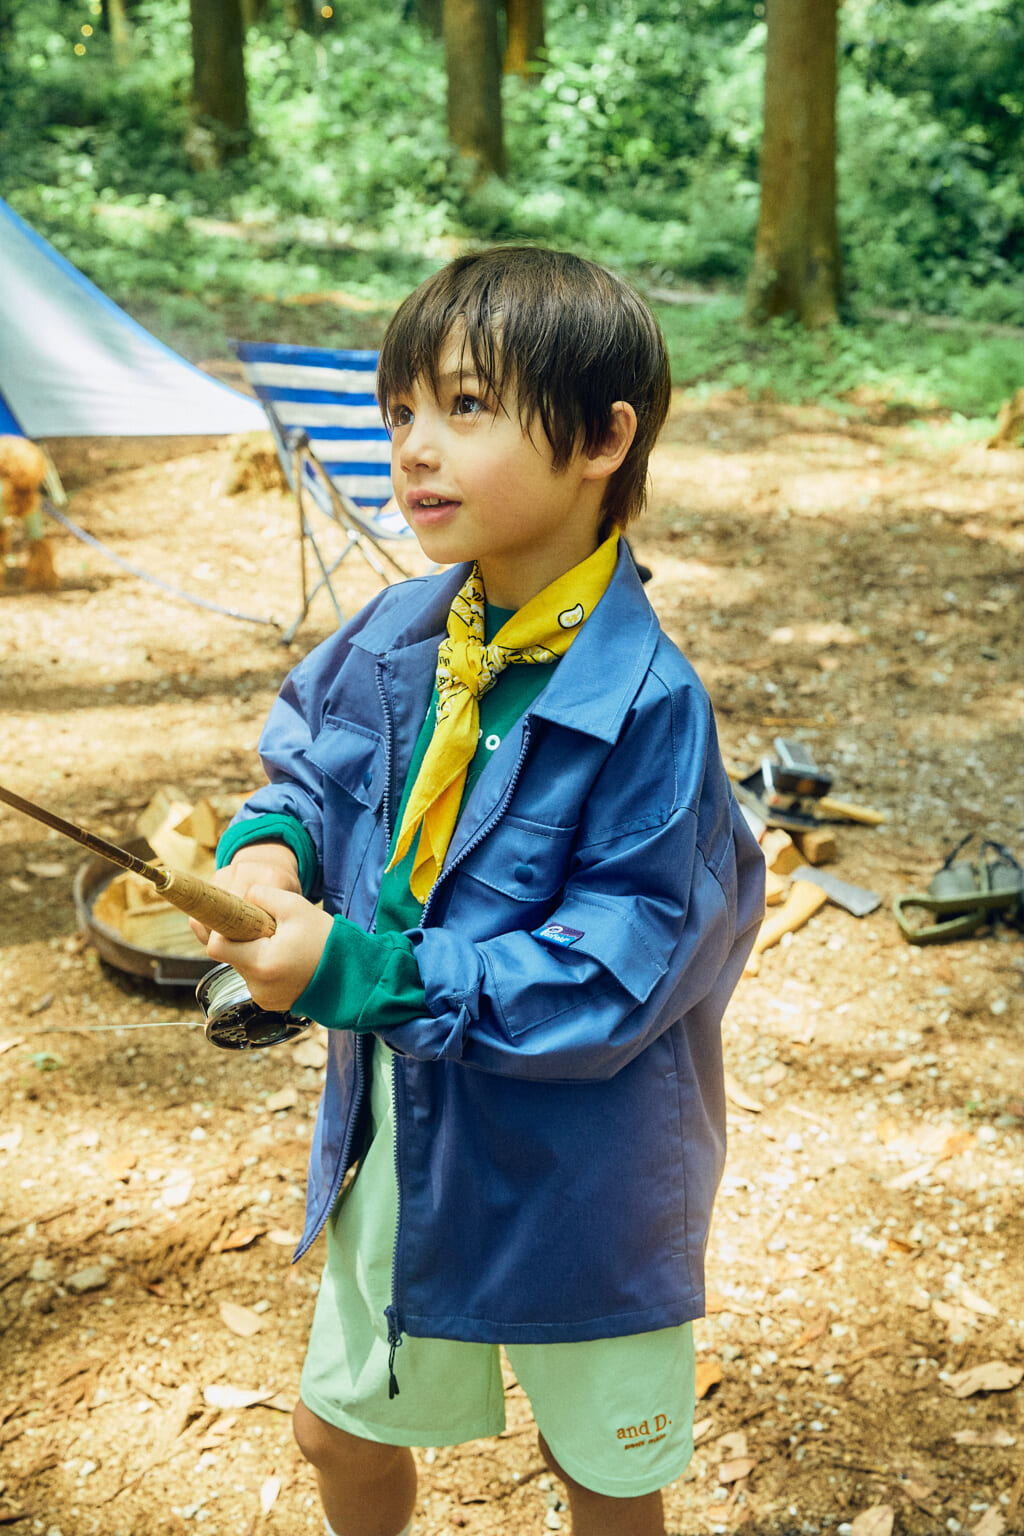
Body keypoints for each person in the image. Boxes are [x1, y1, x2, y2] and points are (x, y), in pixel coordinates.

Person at [193, 246, 765, 1536]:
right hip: (410, 1119)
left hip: (585, 1168)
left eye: (465, 406)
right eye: (401, 409)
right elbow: (307, 774)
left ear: (603, 440)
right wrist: (270, 857)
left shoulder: (649, 709)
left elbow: (610, 974)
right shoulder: (398, 635)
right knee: (335, 1431)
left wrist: (357, 971)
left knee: (602, 1471)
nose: (413, 447)